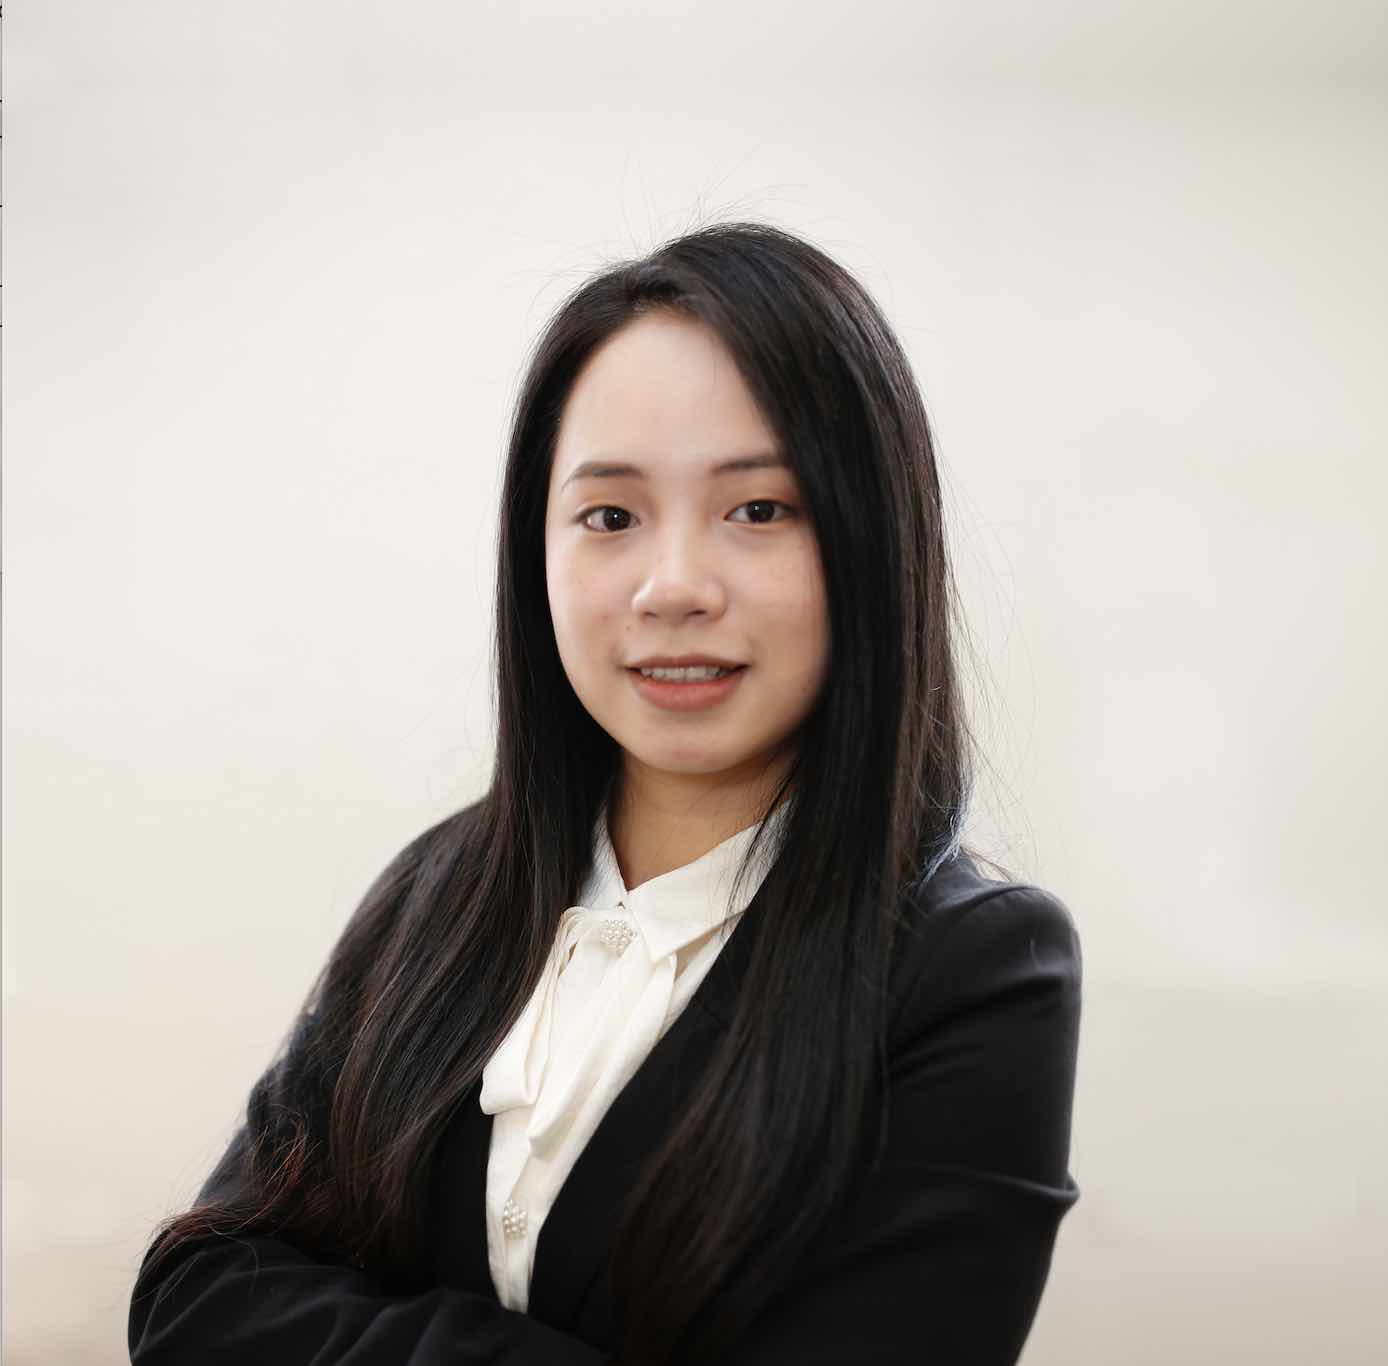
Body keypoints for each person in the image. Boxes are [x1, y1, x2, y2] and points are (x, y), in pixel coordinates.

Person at [127, 221, 1083, 1365]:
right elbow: (194, 1299)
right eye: (610, 517)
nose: (671, 587)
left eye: (758, 510)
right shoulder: (441, 889)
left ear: (872, 541)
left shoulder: (976, 970)